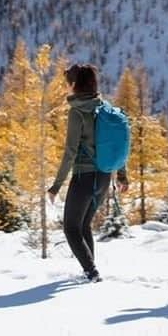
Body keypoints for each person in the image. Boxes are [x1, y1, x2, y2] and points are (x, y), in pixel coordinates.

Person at [47, 63, 128, 282]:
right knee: (83, 226)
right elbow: (116, 143)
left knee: (71, 228)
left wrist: (55, 186)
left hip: (84, 177)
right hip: (103, 177)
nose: (66, 87)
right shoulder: (105, 107)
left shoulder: (77, 112)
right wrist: (121, 175)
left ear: (73, 84)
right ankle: (90, 271)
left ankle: (92, 272)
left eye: (67, 83)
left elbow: (70, 152)